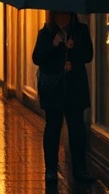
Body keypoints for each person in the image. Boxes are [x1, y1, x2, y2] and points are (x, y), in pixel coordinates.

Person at [33, 10, 95, 184]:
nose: (63, 18)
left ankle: (80, 169)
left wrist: (72, 48)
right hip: (54, 89)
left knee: (77, 128)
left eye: (66, 15)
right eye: (59, 15)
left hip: (75, 88)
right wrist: (53, 45)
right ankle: (51, 169)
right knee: (53, 127)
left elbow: (88, 55)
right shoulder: (46, 33)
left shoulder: (80, 30)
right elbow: (37, 58)